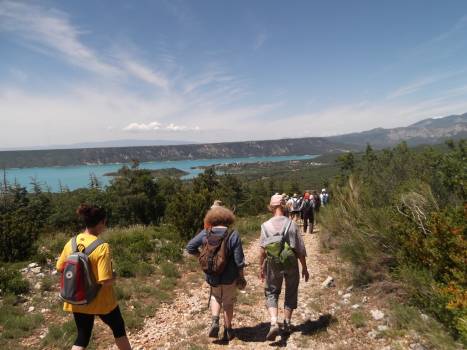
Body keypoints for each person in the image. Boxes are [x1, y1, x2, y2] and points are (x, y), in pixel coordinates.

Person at [56, 204, 131, 350]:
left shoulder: (71, 243)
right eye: (105, 223)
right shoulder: (102, 246)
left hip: (78, 299)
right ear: (101, 222)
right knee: (119, 330)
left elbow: (60, 267)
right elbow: (105, 281)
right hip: (102, 302)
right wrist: (114, 276)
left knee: (82, 337)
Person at [186, 206, 246, 342]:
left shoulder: (206, 232)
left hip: (212, 274)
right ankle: (228, 330)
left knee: (215, 297)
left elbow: (190, 247)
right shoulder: (233, 234)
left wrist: (202, 257)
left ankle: (215, 320)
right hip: (229, 276)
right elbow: (239, 260)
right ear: (228, 218)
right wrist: (241, 276)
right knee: (228, 302)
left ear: (211, 218)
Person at [259, 194, 309, 341]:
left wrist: (261, 267)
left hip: (273, 262)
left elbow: (262, 251)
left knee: (271, 292)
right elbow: (300, 249)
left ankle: (274, 321)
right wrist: (304, 268)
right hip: (291, 261)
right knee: (291, 290)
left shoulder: (265, 226)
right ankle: (287, 323)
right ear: (284, 206)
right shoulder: (291, 224)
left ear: (271, 207)